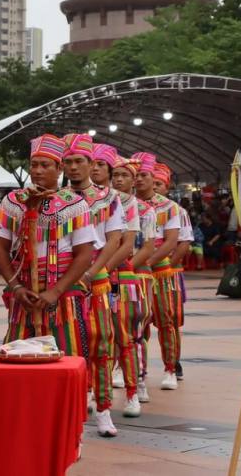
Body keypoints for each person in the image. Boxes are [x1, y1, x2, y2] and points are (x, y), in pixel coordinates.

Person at [0, 134, 94, 438]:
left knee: (69, 357)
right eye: (33, 164)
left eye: (44, 165)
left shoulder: (75, 204)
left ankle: (69, 428)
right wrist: (15, 287)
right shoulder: (12, 202)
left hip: (63, 297)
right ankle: (23, 423)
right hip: (23, 295)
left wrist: (55, 291)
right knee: (16, 357)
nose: (37, 171)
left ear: (58, 167)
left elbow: (84, 253)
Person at [63, 134, 123, 437]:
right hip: (64, 283)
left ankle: (103, 409)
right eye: (69, 162)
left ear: (91, 164)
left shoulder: (108, 198)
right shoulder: (55, 198)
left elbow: (115, 240)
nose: (74, 168)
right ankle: (72, 417)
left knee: (101, 344)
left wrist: (92, 272)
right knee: (68, 348)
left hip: (96, 280)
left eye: (80, 162)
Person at [92, 146, 145, 418]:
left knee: (123, 335)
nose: (96, 169)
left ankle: (133, 392)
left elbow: (126, 245)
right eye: (93, 163)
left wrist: (100, 270)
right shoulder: (74, 198)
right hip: (84, 278)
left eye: (102, 164)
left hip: (118, 277)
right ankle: (94, 391)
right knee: (92, 336)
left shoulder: (124, 201)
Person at [133, 152, 182, 391]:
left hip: (159, 271)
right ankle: (133, 370)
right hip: (134, 272)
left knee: (165, 321)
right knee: (134, 322)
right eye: (137, 175)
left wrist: (147, 262)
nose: (139, 180)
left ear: (154, 178)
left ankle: (170, 369)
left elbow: (171, 242)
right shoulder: (125, 204)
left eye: (144, 175)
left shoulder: (170, 207)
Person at [111, 156, 157, 405]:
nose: (119, 180)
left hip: (134, 276)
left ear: (134, 181)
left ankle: (139, 380)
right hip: (109, 275)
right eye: (115, 175)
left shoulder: (145, 210)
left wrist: (124, 269)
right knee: (109, 328)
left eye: (124, 175)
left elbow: (147, 248)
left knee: (135, 330)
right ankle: (115, 371)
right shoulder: (103, 204)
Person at [155, 163, 192, 381]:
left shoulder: (177, 210)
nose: (156, 187)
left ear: (166, 187)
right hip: (145, 271)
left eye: (160, 184)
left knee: (171, 320)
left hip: (169, 273)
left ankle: (173, 362)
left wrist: (167, 267)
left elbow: (184, 242)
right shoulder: (137, 208)